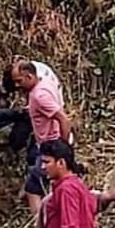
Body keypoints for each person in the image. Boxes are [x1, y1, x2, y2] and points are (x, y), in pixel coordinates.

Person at [16, 61, 71, 214]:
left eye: (19, 80)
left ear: (29, 76)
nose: (17, 85)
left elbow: (64, 119)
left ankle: (40, 221)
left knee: (32, 187)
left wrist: (63, 146)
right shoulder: (45, 84)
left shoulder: (39, 96)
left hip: (51, 145)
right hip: (47, 144)